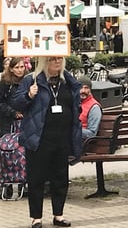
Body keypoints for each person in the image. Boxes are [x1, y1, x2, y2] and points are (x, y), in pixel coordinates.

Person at [11, 56, 83, 228]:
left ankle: (58, 215)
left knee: (60, 178)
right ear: (44, 61)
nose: (57, 62)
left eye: (59, 59)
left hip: (62, 137)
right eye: (52, 59)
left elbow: (75, 102)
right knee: (37, 178)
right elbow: (17, 103)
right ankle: (36, 218)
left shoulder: (67, 80)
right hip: (39, 138)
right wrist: (29, 95)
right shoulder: (32, 79)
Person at [0, 57, 26, 136]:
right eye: (17, 67)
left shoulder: (29, 80)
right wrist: (13, 112)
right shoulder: (5, 82)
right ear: (11, 69)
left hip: (26, 120)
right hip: (8, 121)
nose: (20, 70)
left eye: (22, 67)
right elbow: (1, 102)